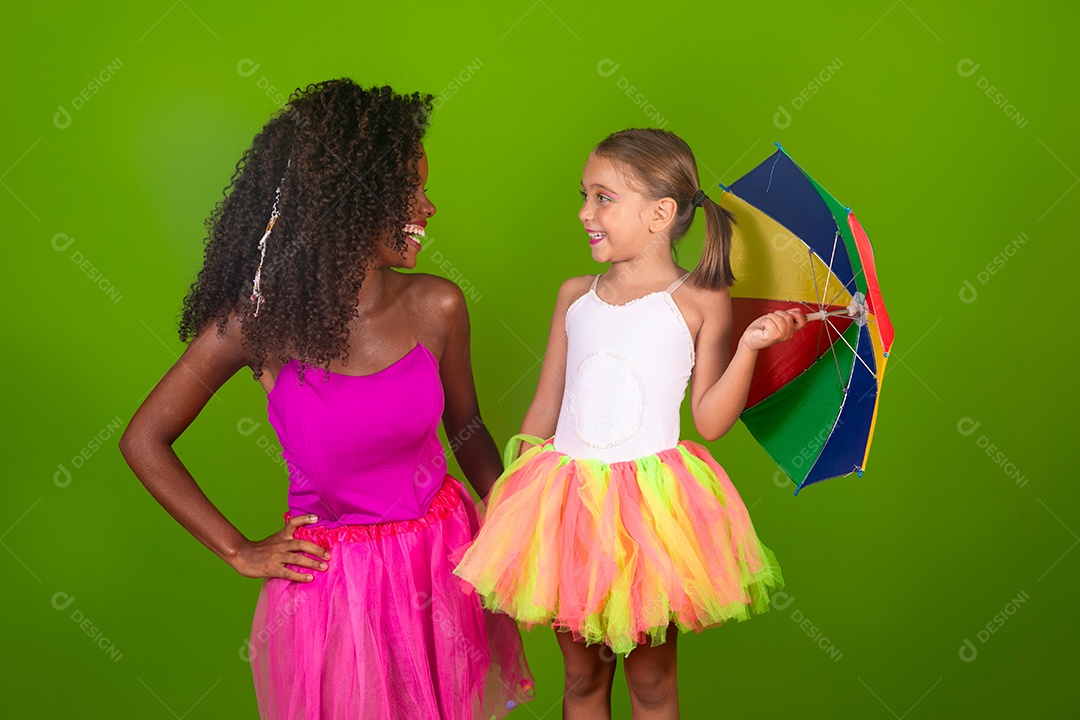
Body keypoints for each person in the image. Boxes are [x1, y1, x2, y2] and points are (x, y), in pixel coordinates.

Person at [119, 79, 533, 720]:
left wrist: (513, 517)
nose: (428, 207)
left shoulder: (438, 305)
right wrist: (237, 548)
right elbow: (143, 439)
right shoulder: (258, 325)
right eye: (410, 190)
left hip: (441, 558)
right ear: (352, 200)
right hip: (335, 587)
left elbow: (467, 425)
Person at [453, 128, 805, 719]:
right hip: (565, 505)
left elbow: (710, 420)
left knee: (652, 685)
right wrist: (512, 499)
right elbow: (545, 406)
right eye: (585, 196)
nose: (585, 213)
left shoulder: (700, 300)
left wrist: (750, 347)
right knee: (581, 678)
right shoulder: (574, 295)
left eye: (603, 197)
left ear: (661, 213)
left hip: (650, 513)